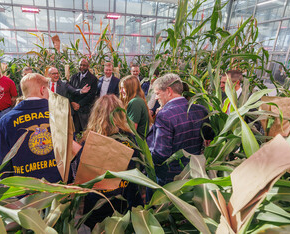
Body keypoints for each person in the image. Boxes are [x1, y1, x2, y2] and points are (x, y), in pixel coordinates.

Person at [71, 95, 143, 229]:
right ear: (121, 114)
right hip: (123, 201)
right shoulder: (130, 138)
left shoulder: (93, 141)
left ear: (97, 114)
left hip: (97, 202)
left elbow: (83, 167)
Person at [0, 73, 62, 182]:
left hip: (25, 187)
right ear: (43, 90)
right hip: (58, 183)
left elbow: (1, 162)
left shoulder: (6, 120)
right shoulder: (59, 114)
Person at [147, 73, 211, 186]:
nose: (156, 98)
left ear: (169, 91)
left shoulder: (165, 115)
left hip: (170, 178)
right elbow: (209, 138)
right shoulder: (201, 110)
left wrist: (147, 159)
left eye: (157, 93)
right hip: (194, 173)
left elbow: (161, 154)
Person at [69, 58, 98, 133]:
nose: (82, 67)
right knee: (74, 131)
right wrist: (72, 103)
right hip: (74, 110)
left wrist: (79, 104)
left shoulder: (93, 79)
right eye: (80, 65)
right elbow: (70, 91)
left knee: (85, 131)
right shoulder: (74, 77)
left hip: (84, 110)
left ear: (88, 66)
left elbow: (91, 95)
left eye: (84, 65)